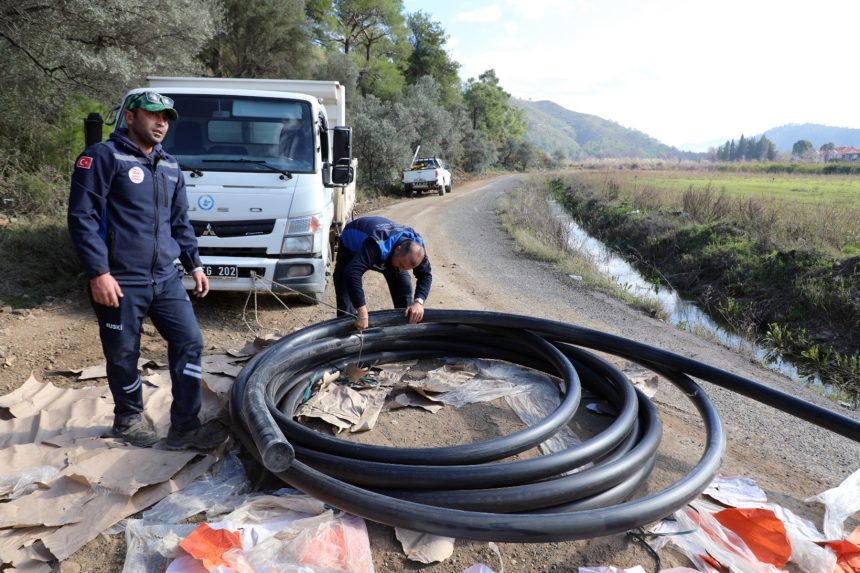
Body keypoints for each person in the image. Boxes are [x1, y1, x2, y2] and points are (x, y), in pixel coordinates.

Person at [68, 91, 228, 450]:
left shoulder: (170, 166)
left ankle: (184, 427)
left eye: (166, 117)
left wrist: (195, 264)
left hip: (165, 278)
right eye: (154, 115)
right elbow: (82, 218)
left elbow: (180, 222)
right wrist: (98, 272)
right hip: (119, 279)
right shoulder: (102, 158)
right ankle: (127, 420)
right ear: (130, 116)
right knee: (124, 353)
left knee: (190, 342)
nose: (161, 123)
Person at [333, 216, 432, 330]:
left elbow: (425, 275)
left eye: (405, 268)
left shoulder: (417, 250)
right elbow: (352, 272)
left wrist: (418, 302)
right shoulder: (377, 244)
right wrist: (362, 310)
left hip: (389, 253)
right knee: (346, 295)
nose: (400, 270)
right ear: (397, 249)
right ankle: (346, 337)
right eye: (401, 265)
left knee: (404, 289)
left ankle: (404, 333)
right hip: (352, 245)